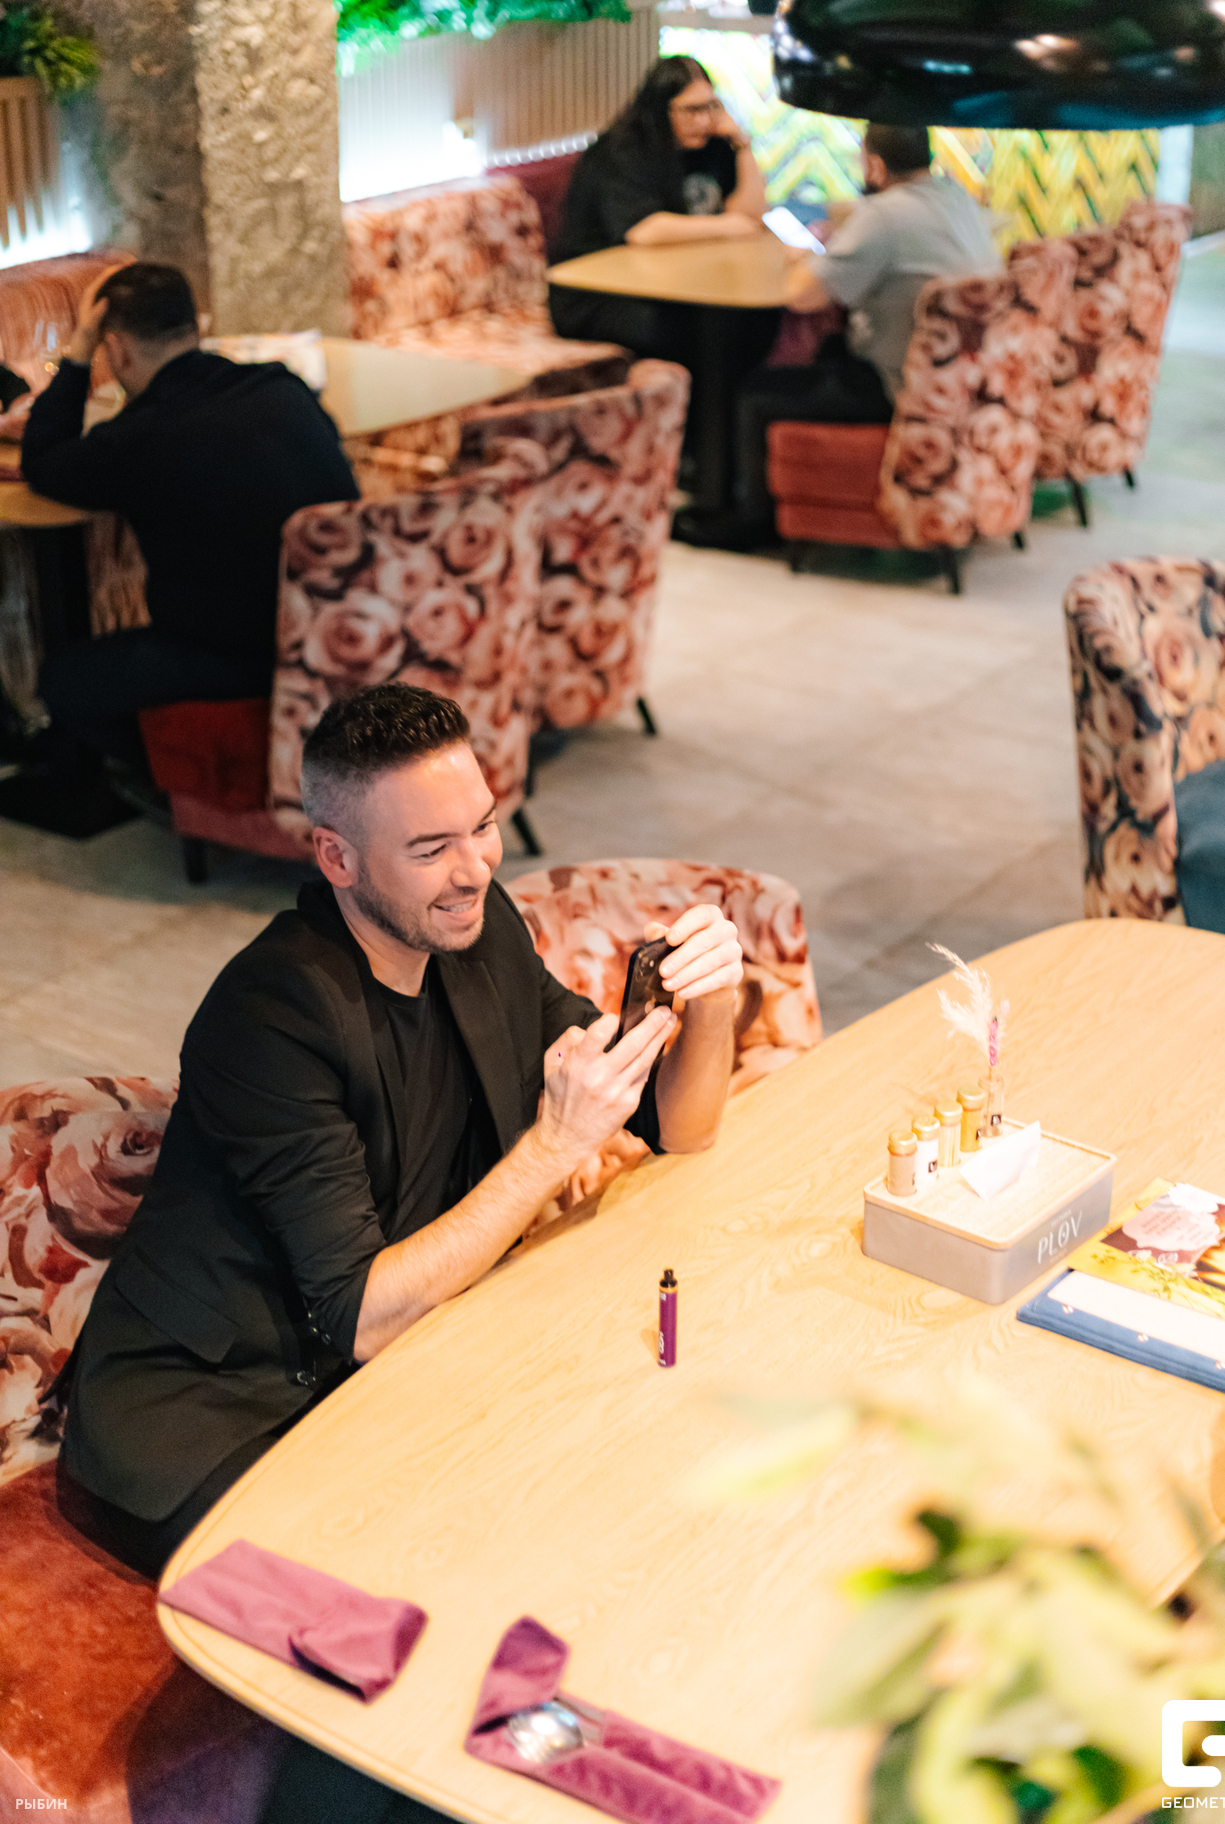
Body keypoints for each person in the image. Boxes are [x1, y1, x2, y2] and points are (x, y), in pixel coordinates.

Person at [56, 681, 742, 1823]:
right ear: (336, 856)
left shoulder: (475, 933)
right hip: (214, 1415)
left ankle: (634, 1784)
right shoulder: (269, 1016)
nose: (474, 868)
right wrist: (548, 1147)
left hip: (382, 1384)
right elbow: (364, 1316)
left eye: (483, 826)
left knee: (590, 1534)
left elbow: (683, 1125)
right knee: (401, 1660)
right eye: (430, 849)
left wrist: (708, 1003)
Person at [17, 262, 358, 794]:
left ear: (117, 349)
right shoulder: (283, 387)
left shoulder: (139, 439)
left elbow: (42, 463)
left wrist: (79, 351)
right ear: (195, 326)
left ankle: (188, 784)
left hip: (237, 655)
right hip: (346, 625)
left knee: (65, 680)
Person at [731, 123, 1003, 539]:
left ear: (874, 165)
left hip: (896, 387)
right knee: (826, 350)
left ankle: (750, 524)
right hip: (964, 385)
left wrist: (806, 258)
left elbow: (802, 296)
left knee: (757, 391)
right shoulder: (955, 196)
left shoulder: (884, 216)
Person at [548, 54, 773, 374]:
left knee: (752, 319)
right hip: (599, 296)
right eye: (692, 110)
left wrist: (742, 146)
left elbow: (750, 216)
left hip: (672, 285)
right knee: (689, 330)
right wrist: (727, 225)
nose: (704, 121)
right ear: (660, 108)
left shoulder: (713, 146)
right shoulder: (620, 151)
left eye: (711, 106)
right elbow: (643, 230)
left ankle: (728, 407)